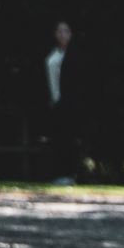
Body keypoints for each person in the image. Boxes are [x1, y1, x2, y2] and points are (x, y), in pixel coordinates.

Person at [42, 20, 83, 182]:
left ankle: (68, 174)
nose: (62, 35)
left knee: (68, 138)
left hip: (69, 103)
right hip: (55, 102)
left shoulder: (74, 55)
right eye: (59, 31)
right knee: (55, 139)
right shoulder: (52, 54)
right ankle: (56, 173)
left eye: (66, 31)